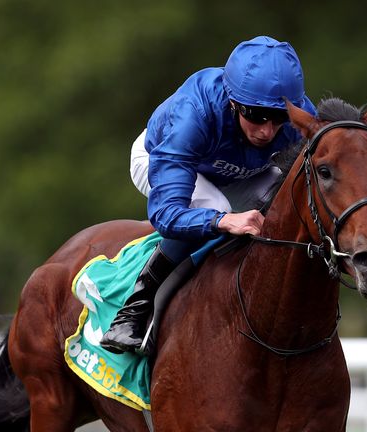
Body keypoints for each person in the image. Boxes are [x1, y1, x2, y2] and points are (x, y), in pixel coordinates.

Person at [101, 36, 317, 355]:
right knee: (216, 206)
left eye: (278, 118)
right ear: (233, 102)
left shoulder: (301, 116)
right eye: (256, 116)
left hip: (236, 170)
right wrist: (223, 220)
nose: (267, 131)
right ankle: (133, 311)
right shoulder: (194, 114)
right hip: (160, 159)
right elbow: (166, 214)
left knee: (284, 192)